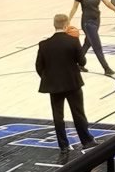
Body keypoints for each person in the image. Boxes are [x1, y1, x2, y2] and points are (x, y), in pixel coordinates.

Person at [36, 14, 92, 156]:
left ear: (54, 25)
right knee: (78, 113)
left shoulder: (44, 44)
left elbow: (38, 66)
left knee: (58, 116)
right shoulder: (73, 41)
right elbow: (82, 62)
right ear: (66, 25)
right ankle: (86, 141)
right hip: (72, 83)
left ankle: (63, 146)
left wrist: (48, 78)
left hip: (54, 85)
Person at [68, 0, 115, 78]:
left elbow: (107, 3)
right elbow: (74, 8)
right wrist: (68, 20)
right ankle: (106, 68)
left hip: (97, 21)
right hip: (87, 23)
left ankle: (77, 64)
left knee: (88, 43)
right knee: (97, 45)